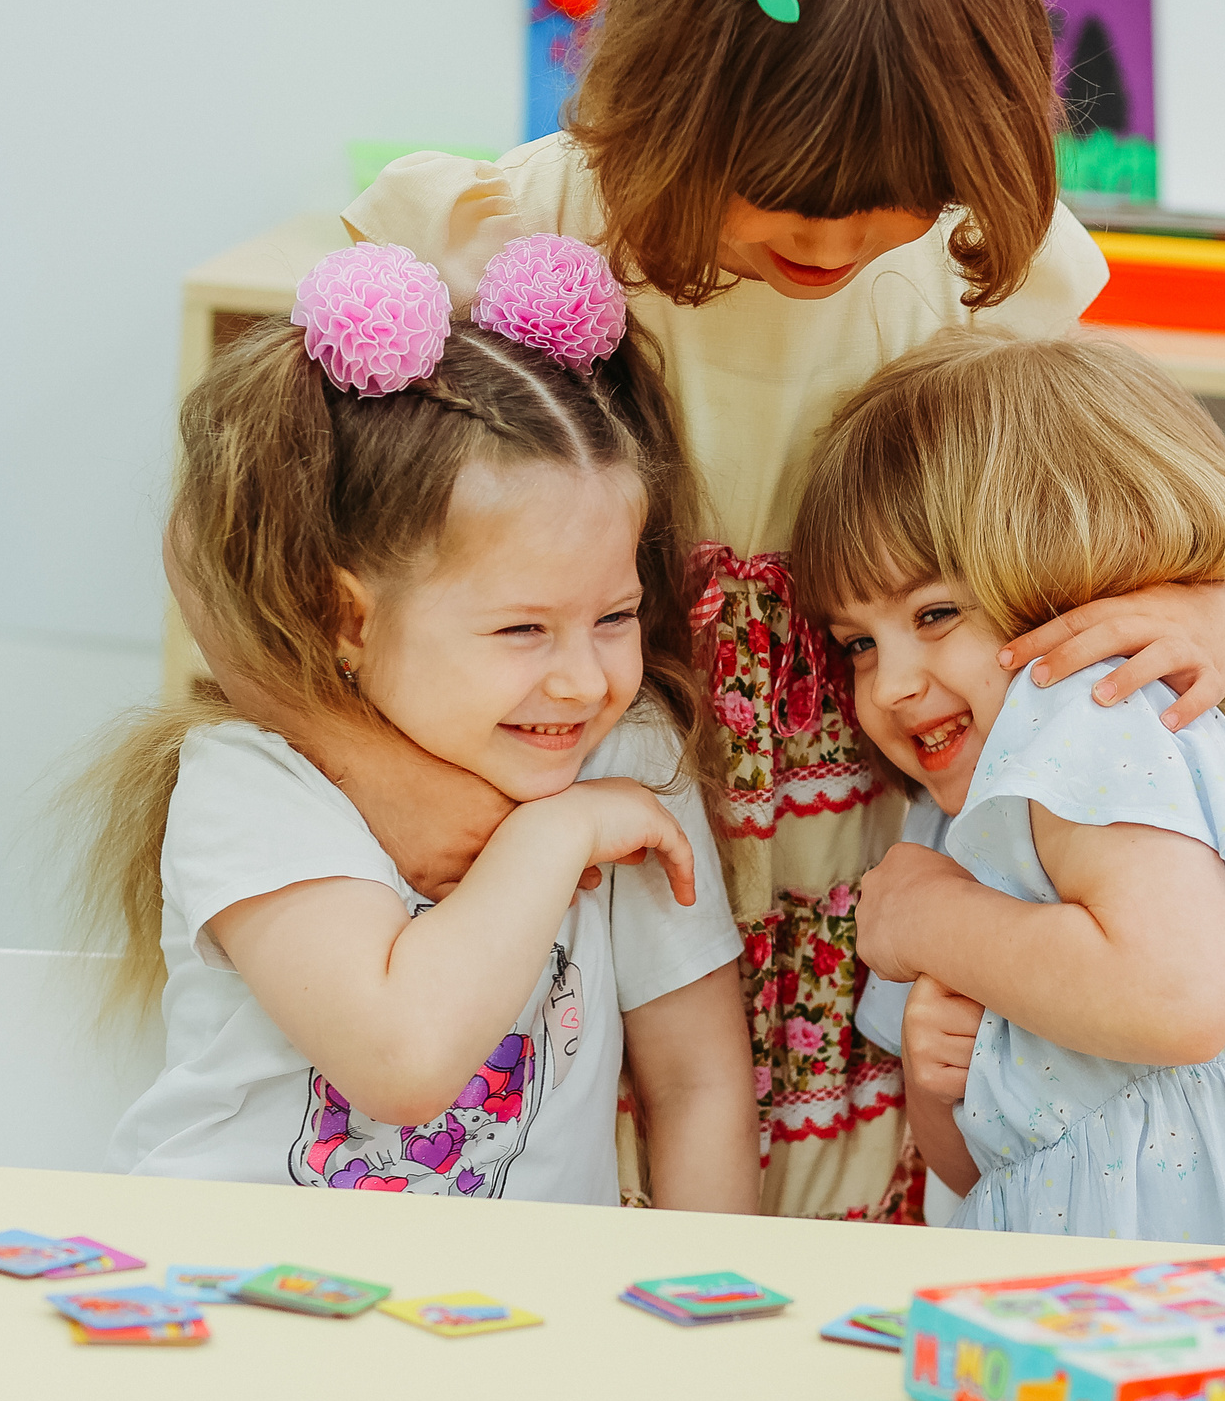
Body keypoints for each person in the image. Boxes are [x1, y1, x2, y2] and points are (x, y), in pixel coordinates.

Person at [175, 0, 1225, 1221]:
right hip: (581, 889)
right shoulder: (530, 227)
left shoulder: (974, 284)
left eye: (894, 191)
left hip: (858, 893)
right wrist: (389, 780)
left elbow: (1108, 533)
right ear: (681, 101)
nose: (835, 232)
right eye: (783, 185)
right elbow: (246, 537)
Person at [86, 238, 758, 1211]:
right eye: (523, 628)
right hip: (232, 1293)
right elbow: (400, 1061)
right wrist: (557, 831)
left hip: (516, 1324)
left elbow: (697, 1084)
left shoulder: (630, 756)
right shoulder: (253, 782)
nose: (583, 680)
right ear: (349, 621)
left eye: (614, 617)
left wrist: (713, 1314)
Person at [793, 330, 1225, 1253]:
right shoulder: (954, 817)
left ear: (1064, 579)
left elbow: (1176, 998)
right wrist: (938, 1085)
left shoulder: (1088, 717)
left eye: (935, 615)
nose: (889, 685)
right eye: (860, 643)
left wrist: (928, 922)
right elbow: (977, 1173)